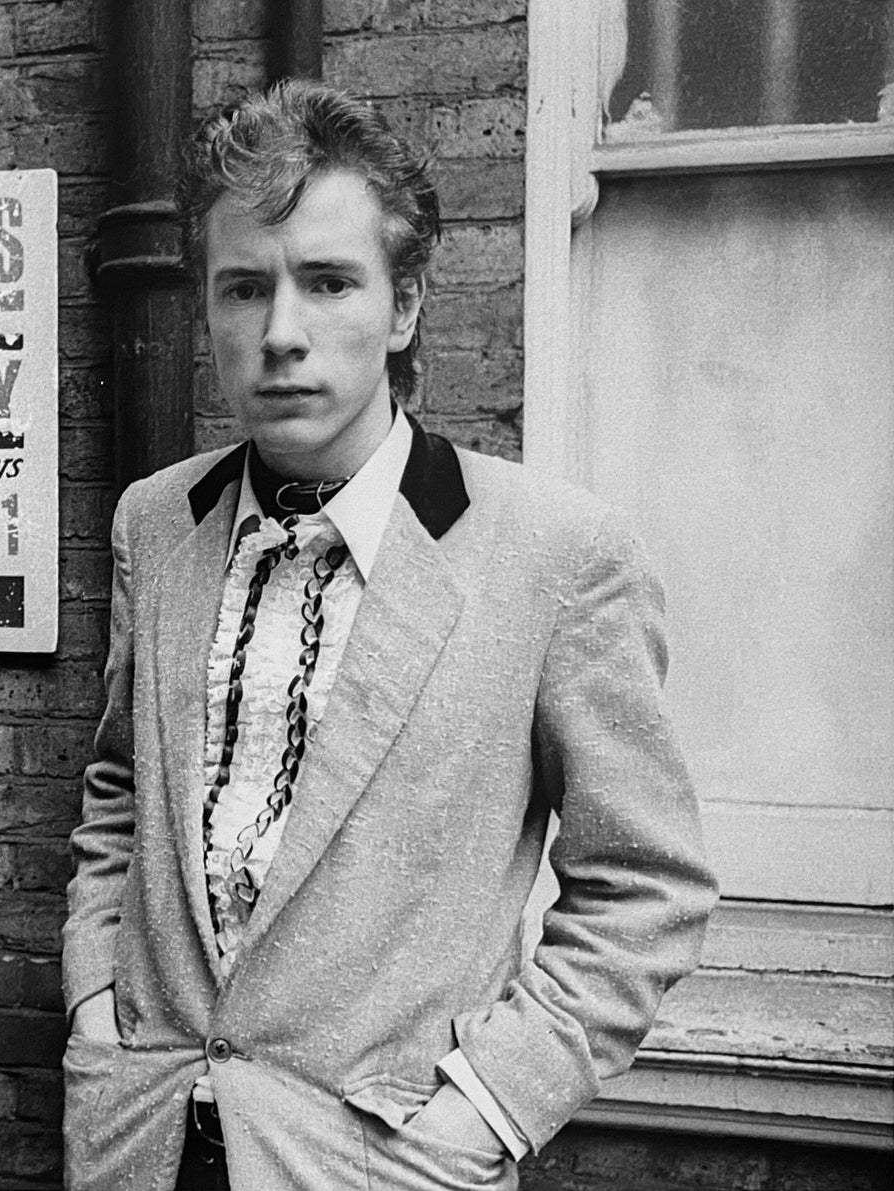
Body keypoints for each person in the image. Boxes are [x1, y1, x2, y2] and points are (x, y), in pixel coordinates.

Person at [60, 80, 716, 1191]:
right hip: (144, 1136)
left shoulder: (555, 557)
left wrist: (485, 1108)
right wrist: (93, 1006)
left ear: (402, 308)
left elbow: (645, 888)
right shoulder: (155, 523)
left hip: (381, 1160)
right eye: (242, 288)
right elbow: (123, 793)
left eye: (326, 283)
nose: (280, 333)